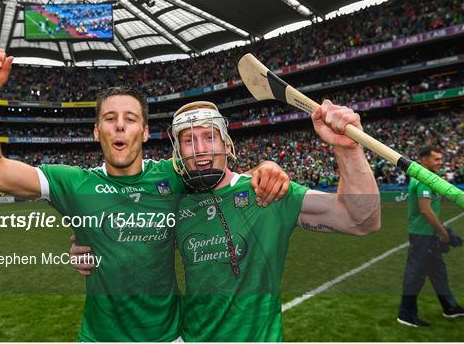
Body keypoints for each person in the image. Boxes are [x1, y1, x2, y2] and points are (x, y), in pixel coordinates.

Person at [0, 48, 288, 341]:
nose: (119, 126)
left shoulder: (173, 176)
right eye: (109, 118)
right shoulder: (72, 183)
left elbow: (216, 169)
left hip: (168, 336)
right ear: (96, 131)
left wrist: (266, 166)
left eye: (130, 119)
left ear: (144, 131)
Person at [72, 100, 382, 341]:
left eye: (209, 137)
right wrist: (85, 247)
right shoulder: (174, 204)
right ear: (177, 152)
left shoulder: (267, 191)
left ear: (226, 143)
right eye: (189, 140)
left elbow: (360, 220)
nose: (201, 149)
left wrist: (348, 149)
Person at [397, 146, 464, 327]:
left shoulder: (428, 178)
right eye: (436, 159)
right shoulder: (424, 180)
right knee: (415, 274)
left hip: (427, 234)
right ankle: (406, 313)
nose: (440, 163)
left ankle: (450, 307)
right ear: (424, 160)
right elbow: (426, 211)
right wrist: (443, 232)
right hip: (422, 235)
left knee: (438, 272)